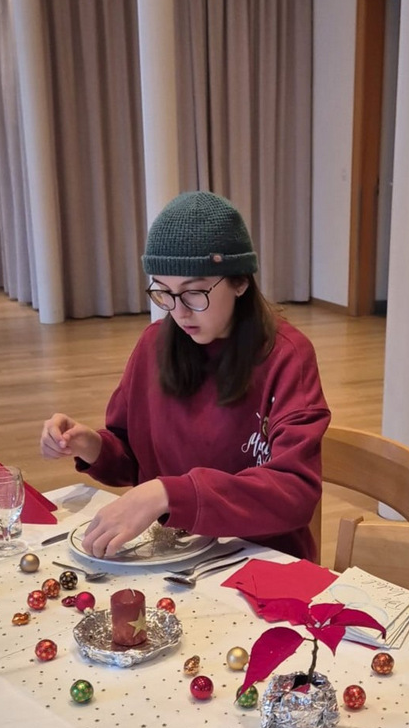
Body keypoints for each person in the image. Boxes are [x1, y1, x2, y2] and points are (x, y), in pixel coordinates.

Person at [40, 191, 330, 561]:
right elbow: (135, 459)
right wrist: (90, 445)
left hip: (261, 559)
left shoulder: (285, 356)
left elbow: (294, 492)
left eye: (194, 293)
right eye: (163, 293)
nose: (179, 312)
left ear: (240, 281)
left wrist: (168, 494)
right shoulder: (153, 347)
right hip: (172, 555)